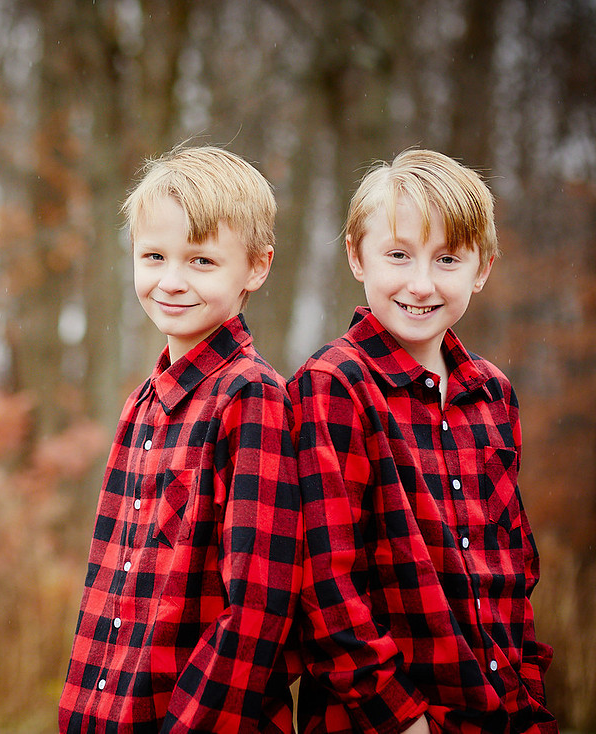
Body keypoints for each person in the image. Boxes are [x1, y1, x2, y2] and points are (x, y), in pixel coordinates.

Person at [289, 148, 556, 733]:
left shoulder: (493, 394)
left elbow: (513, 574)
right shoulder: (334, 386)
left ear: (482, 268)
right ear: (357, 257)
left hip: (501, 712)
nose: (421, 283)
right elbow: (326, 586)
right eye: (398, 255)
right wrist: (403, 720)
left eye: (447, 260)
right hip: (383, 720)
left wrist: (529, 697)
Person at [58, 145, 302, 733]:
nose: (171, 281)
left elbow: (258, 612)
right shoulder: (142, 405)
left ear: (257, 268)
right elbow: (110, 591)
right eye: (154, 256)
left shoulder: (251, 397)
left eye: (201, 261)